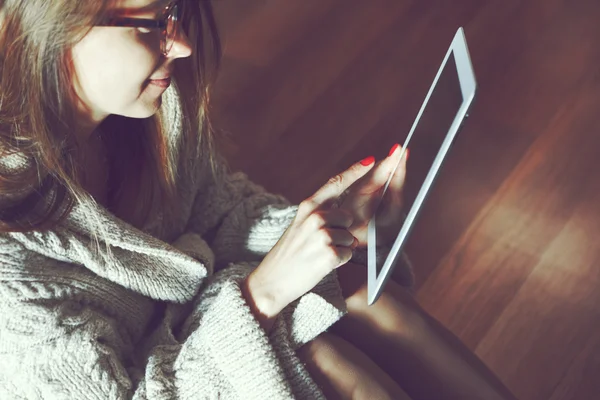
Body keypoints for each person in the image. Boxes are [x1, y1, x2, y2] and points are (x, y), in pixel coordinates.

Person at [0, 0, 518, 399]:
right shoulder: (12, 282)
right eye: (151, 22)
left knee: (349, 288)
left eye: (175, 13)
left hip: (179, 337)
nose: (180, 45)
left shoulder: (148, 121)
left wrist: (329, 228)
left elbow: (218, 209)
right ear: (54, 24)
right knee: (319, 356)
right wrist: (261, 296)